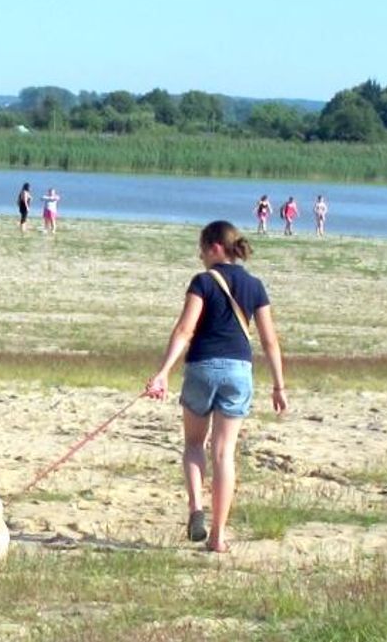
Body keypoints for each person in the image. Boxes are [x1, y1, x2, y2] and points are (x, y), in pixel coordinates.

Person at [143, 221, 286, 553]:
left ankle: (196, 509)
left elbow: (183, 330)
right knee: (224, 454)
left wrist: (163, 372)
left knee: (194, 444)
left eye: (202, 249)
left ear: (215, 247)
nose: (201, 256)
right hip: (239, 370)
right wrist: (279, 385)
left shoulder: (203, 282)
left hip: (202, 368)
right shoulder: (254, 286)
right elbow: (270, 341)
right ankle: (218, 536)